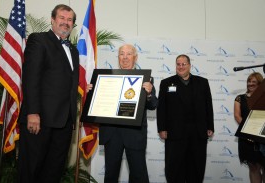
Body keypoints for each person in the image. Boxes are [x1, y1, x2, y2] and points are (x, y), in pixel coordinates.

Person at [17, 4, 79, 183]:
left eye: (69, 20)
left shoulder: (73, 51)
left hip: (64, 123)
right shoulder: (39, 40)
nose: (65, 23)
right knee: (31, 170)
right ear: (52, 20)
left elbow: (68, 83)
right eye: (62, 18)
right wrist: (33, 112)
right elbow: (31, 78)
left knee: (54, 171)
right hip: (39, 120)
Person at [90, 44, 158, 183]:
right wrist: (92, 92)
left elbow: (153, 105)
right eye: (122, 54)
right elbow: (99, 105)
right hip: (111, 134)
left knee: (139, 175)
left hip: (134, 135)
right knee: (110, 175)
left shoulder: (146, 79)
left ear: (135, 57)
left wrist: (149, 93)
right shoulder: (106, 78)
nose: (125, 57)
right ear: (118, 57)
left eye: (129, 54)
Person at [157, 54, 214, 183]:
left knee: (196, 168)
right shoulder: (166, 83)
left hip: (198, 133)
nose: (181, 67)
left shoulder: (202, 82)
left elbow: (208, 106)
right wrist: (162, 128)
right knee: (174, 169)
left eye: (184, 64)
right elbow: (161, 108)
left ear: (189, 65)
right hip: (174, 133)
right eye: (178, 64)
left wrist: (210, 126)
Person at [234, 72, 265, 183]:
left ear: (260, 84)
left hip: (263, 139)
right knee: (253, 168)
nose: (250, 84)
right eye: (249, 81)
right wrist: (249, 131)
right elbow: (237, 116)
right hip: (247, 138)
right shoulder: (239, 98)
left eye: (254, 82)